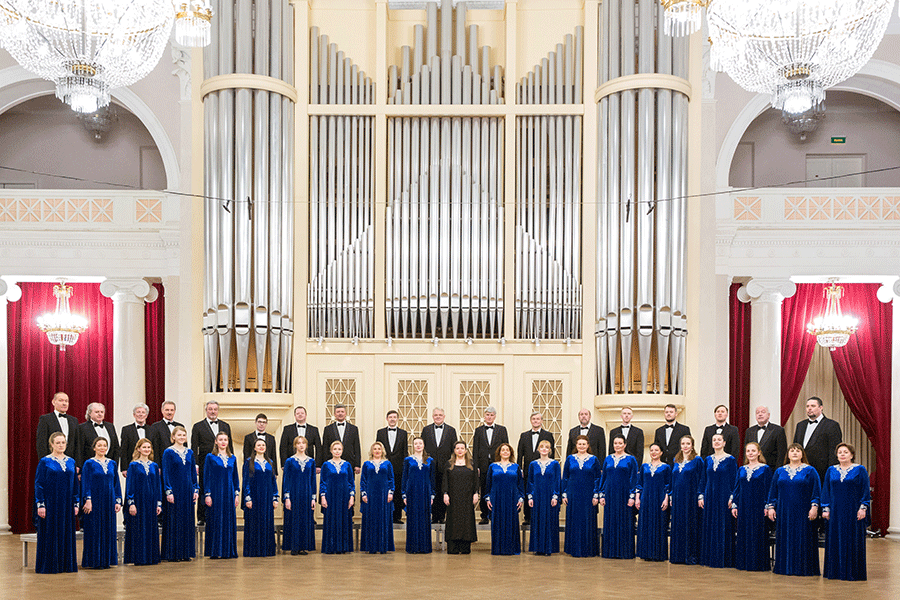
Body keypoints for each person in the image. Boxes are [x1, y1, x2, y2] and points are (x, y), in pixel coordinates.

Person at [767, 443, 821, 576]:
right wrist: (771, 507)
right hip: (784, 511)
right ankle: (785, 567)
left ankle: (803, 568)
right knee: (785, 537)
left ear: (802, 454)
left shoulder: (810, 470)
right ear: (788, 454)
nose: (795, 453)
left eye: (798, 450)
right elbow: (773, 491)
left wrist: (814, 507)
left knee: (803, 538)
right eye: (792, 450)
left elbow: (816, 491)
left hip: (803, 511)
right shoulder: (780, 471)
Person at [822, 442, 870, 581]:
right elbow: (826, 490)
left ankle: (853, 572)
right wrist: (825, 508)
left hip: (853, 511)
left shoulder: (860, 469)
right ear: (836, 455)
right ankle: (835, 572)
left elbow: (865, 490)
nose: (842, 454)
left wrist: (863, 507)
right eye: (840, 452)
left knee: (852, 539)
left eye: (845, 452)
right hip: (835, 512)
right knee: (835, 539)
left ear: (852, 455)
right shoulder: (831, 470)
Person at [34, 431, 79, 574]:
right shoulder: (45, 461)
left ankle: (66, 565)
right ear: (52, 444)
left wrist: (76, 503)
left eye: (63, 442)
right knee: (50, 533)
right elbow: (39, 484)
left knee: (66, 532)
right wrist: (41, 504)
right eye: (58, 442)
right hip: (51, 503)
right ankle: (50, 565)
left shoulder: (71, 461)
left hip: (67, 504)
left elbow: (75, 485)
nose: (61, 445)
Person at [80, 436, 122, 568]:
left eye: (104, 445)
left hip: (109, 500)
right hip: (94, 500)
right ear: (94, 448)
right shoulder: (89, 463)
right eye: (99, 445)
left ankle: (107, 559)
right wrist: (88, 499)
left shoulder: (112, 463)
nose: (102, 448)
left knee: (108, 528)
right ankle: (93, 560)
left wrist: (117, 500)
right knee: (94, 529)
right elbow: (85, 483)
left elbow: (116, 483)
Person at [731, 441, 772, 572]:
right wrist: (734, 505)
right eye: (748, 451)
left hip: (759, 505)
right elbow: (737, 488)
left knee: (758, 532)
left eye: (753, 451)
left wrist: (767, 505)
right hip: (744, 505)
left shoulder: (765, 469)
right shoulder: (741, 469)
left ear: (759, 453)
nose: (750, 453)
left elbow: (768, 489)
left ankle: (758, 563)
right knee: (744, 531)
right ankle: (743, 562)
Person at [698, 433, 738, 568]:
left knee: (724, 525)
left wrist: (732, 497)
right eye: (714, 440)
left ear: (724, 443)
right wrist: (701, 495)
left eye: (719, 440)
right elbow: (703, 479)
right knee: (710, 524)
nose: (716, 442)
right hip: (710, 496)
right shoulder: (707, 460)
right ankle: (709, 557)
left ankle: (724, 558)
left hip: (724, 497)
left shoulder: (730, 459)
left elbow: (735, 480)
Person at [192, 400, 233, 524]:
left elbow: (230, 446)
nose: (213, 411)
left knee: (222, 486)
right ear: (206, 410)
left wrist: (231, 461)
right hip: (205, 462)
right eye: (210, 409)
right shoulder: (198, 426)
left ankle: (221, 514)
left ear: (218, 410)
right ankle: (202, 517)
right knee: (204, 487)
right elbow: (194, 446)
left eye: (215, 409)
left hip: (223, 462)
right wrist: (196, 464)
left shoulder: (225, 426)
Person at [161, 425, 198, 561]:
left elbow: (193, 473)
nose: (182, 437)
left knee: (187, 519)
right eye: (179, 435)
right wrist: (168, 490)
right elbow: (166, 472)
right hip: (174, 490)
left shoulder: (190, 453)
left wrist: (196, 489)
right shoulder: (168, 452)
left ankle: (186, 552)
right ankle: (173, 553)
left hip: (187, 490)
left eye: (184, 435)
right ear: (173, 437)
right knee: (174, 519)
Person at [599, 435, 638, 559]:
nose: (617, 445)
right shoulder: (608, 459)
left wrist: (632, 496)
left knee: (625, 521)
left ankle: (624, 552)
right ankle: (610, 551)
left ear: (625, 445)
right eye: (615, 443)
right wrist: (602, 494)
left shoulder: (631, 459)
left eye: (620, 443)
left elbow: (634, 479)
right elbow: (603, 477)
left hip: (624, 494)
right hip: (610, 494)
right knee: (610, 521)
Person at [562, 435, 601, 557]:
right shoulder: (570, 459)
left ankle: (588, 549)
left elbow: (598, 478)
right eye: (579, 444)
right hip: (573, 494)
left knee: (587, 519)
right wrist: (564, 493)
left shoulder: (594, 459)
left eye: (584, 444)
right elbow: (565, 477)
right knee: (574, 519)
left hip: (588, 494)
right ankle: (573, 549)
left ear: (588, 445)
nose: (582, 446)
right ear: (576, 446)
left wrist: (596, 494)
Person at [124, 438, 161, 566]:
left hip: (151, 501)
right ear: (138, 449)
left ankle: (151, 556)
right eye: (144, 447)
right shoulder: (133, 465)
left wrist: (158, 502)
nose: (146, 450)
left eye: (148, 447)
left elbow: (157, 485)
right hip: (139, 500)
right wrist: (131, 502)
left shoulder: (154, 465)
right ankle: (139, 557)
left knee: (150, 527)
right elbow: (130, 485)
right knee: (138, 527)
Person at [203, 431, 239, 559]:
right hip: (215, 492)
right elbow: (206, 476)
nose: (223, 442)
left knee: (228, 520)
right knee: (216, 519)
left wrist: (237, 494)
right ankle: (215, 550)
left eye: (225, 439)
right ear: (216, 442)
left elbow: (235, 478)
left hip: (229, 493)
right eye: (221, 439)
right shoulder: (210, 457)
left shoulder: (232, 458)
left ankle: (228, 550)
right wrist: (207, 494)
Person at [485, 442, 523, 555]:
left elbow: (520, 484)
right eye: (503, 450)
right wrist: (487, 498)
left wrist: (521, 498)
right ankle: (498, 549)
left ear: (511, 452)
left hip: (512, 498)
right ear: (499, 453)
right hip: (496, 498)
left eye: (507, 450)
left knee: (511, 523)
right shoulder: (492, 466)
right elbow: (488, 484)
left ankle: (511, 549)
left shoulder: (516, 467)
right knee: (497, 523)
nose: (505, 451)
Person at [669, 435, 703, 565]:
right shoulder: (676, 460)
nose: (685, 446)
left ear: (692, 445)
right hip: (677, 498)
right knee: (678, 524)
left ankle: (690, 556)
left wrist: (700, 495)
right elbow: (673, 480)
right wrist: (671, 495)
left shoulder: (697, 460)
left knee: (690, 524)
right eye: (683, 443)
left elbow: (702, 479)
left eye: (688, 443)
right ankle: (678, 555)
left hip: (691, 497)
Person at [242, 438, 278, 557]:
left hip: (267, 497)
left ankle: (266, 550)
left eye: (263, 445)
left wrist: (275, 497)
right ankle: (254, 550)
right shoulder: (248, 461)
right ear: (254, 447)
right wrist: (247, 497)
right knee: (254, 522)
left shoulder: (270, 462)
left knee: (266, 521)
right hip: (254, 496)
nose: (261, 447)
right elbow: (246, 481)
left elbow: (273, 481)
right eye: (259, 445)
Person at [793, 396, 842, 483]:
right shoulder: (800, 425)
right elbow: (795, 447)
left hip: (822, 473)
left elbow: (834, 451)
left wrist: (830, 474)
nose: (809, 409)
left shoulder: (832, 425)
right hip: (801, 471)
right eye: (807, 406)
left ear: (821, 408)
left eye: (813, 406)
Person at [472, 406, 509, 524]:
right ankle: (484, 515)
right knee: (483, 488)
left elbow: (506, 447)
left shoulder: (502, 429)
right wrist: (475, 466)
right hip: (482, 465)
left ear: (495, 416)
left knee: (496, 488)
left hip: (498, 464)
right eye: (487, 414)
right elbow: (475, 450)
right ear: (484, 416)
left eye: (492, 415)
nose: (489, 417)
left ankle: (495, 513)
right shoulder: (478, 430)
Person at [635, 442, 671, 562]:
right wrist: (637, 498)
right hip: (646, 498)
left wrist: (666, 499)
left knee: (659, 523)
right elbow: (639, 484)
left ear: (661, 452)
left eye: (656, 450)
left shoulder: (666, 467)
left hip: (660, 498)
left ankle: (658, 554)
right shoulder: (644, 467)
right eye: (651, 450)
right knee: (646, 523)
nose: (654, 452)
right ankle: (646, 553)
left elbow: (668, 485)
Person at [517, 411, 555, 524]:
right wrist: (520, 469)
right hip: (528, 469)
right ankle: (527, 517)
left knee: (541, 490)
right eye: (533, 419)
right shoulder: (524, 435)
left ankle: (540, 516)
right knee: (528, 491)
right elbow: (520, 454)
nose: (535, 421)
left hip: (543, 469)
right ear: (530, 420)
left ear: (542, 421)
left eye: (538, 419)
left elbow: (552, 453)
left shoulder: (548, 435)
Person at [282, 436, 317, 555]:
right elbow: (286, 480)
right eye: (299, 443)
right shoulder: (289, 461)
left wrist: (313, 498)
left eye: (303, 443)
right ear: (295, 445)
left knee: (305, 519)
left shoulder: (311, 461)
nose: (301, 445)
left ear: (306, 445)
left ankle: (303, 546)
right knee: (293, 519)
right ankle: (293, 546)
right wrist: (287, 498)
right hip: (293, 494)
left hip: (306, 494)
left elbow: (313, 480)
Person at [442, 440, 479, 554]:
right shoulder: (449, 464)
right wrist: (445, 494)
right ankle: (453, 547)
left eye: (462, 448)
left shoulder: (472, 463)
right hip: (453, 497)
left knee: (466, 521)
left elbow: (476, 481)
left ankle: (465, 547)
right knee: (453, 520)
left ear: (466, 450)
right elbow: (445, 480)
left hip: (467, 497)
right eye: (457, 448)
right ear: (454, 450)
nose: (460, 450)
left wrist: (476, 493)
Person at [422, 408, 457, 524]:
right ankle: (433, 516)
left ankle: (442, 516)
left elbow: (454, 450)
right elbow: (423, 449)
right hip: (429, 466)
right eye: (436, 415)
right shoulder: (426, 430)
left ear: (444, 416)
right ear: (432, 416)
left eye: (440, 415)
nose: (438, 417)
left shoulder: (451, 430)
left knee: (444, 490)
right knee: (432, 490)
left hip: (445, 466)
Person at [320, 440, 355, 554]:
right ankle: (331, 546)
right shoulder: (326, 464)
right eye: (335, 449)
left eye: (339, 449)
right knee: (331, 520)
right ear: (331, 451)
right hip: (331, 496)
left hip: (344, 496)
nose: (337, 451)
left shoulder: (347, 464)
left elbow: (351, 482)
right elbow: (323, 482)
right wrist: (323, 497)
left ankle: (343, 547)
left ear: (342, 450)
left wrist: (352, 496)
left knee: (344, 520)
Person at [360, 441, 396, 554]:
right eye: (374, 449)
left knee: (383, 519)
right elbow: (363, 480)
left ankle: (383, 545)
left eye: (379, 449)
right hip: (370, 495)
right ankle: (371, 546)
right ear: (371, 451)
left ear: (382, 451)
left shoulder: (387, 464)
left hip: (384, 495)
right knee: (371, 519)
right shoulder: (366, 464)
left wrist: (391, 492)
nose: (377, 451)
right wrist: (363, 493)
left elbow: (391, 479)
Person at [527, 439, 561, 556]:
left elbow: (557, 481)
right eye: (542, 447)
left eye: (547, 447)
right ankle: (538, 547)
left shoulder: (555, 464)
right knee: (537, 520)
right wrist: (530, 497)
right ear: (538, 449)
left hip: (550, 496)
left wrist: (555, 496)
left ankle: (549, 548)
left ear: (550, 450)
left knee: (550, 520)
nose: (544, 449)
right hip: (537, 496)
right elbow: (530, 482)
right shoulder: (533, 464)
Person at [402, 436, 435, 554]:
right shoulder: (408, 460)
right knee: (412, 518)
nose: (418, 445)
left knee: (425, 518)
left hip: (425, 492)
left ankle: (424, 547)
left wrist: (432, 494)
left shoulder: (430, 460)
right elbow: (404, 478)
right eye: (416, 444)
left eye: (420, 443)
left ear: (423, 445)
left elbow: (432, 479)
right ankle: (413, 547)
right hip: (412, 492)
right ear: (413, 446)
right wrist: (404, 494)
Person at [375, 410, 409, 524]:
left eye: (395, 417)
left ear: (398, 419)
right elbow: (377, 450)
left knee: (398, 491)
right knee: (384, 490)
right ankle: (384, 515)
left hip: (399, 468)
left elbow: (405, 452)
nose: (392, 419)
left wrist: (405, 468)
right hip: (384, 467)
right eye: (390, 417)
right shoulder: (380, 432)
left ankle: (397, 516)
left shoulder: (403, 433)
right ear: (387, 419)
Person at [35, 392, 78, 461]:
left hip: (70, 461)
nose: (64, 403)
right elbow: (41, 443)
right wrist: (45, 461)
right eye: (61, 400)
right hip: (51, 461)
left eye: (66, 401)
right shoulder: (45, 419)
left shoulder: (74, 420)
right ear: (53, 402)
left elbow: (77, 443)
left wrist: (77, 463)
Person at [75, 402, 120, 468]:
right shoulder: (82, 428)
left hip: (109, 467)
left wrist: (114, 466)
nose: (100, 414)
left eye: (102, 412)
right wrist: (80, 469)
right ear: (89, 413)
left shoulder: (110, 426)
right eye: (97, 412)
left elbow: (116, 448)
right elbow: (79, 450)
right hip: (90, 467)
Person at [320, 404, 362, 475]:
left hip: (349, 463)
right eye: (338, 412)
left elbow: (357, 447)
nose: (340, 413)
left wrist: (357, 464)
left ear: (345, 413)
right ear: (334, 414)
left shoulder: (354, 429)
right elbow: (325, 447)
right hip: (332, 464)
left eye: (342, 411)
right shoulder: (328, 429)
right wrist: (325, 464)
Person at [744, 405, 787, 471]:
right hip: (752, 470)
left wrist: (777, 472)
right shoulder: (749, 431)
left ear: (768, 415)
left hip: (771, 470)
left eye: (763, 412)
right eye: (757, 412)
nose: (760, 414)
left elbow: (781, 454)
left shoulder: (778, 430)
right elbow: (746, 452)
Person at [280, 405, 322, 470]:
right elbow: (283, 447)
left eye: (302, 413)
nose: (300, 415)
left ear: (306, 415)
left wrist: (318, 465)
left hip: (309, 464)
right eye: (298, 413)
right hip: (292, 464)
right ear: (295, 415)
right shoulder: (287, 429)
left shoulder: (314, 430)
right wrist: (284, 464)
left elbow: (318, 448)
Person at [148, 400, 184, 469]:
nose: (169, 412)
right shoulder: (155, 426)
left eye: (172, 410)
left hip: (179, 463)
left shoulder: (180, 426)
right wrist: (157, 466)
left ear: (174, 411)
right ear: (162, 411)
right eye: (167, 410)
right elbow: (154, 448)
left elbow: (184, 445)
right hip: (163, 464)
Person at [120, 403, 151, 475]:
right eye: (138, 412)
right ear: (134, 415)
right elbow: (123, 450)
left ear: (146, 415)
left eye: (143, 412)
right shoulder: (126, 429)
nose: (140, 414)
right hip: (132, 465)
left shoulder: (152, 429)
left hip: (149, 465)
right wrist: (124, 468)